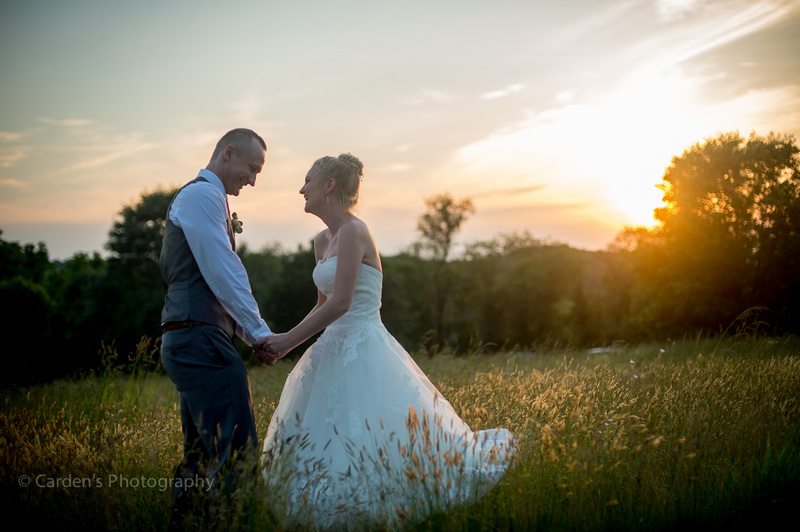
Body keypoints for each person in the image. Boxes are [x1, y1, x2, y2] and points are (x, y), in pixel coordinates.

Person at [259, 154, 515, 529]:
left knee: (373, 430)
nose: (302, 188)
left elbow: (344, 302)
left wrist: (284, 342)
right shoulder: (321, 240)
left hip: (364, 345)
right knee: (325, 433)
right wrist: (289, 343)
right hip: (331, 347)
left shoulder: (353, 232)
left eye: (308, 180)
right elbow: (322, 307)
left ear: (329, 185)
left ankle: (384, 503)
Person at [159, 128, 277, 528]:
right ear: (228, 153)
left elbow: (213, 277)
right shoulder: (201, 196)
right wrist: (259, 333)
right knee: (237, 452)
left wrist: (246, 335)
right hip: (198, 337)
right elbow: (222, 269)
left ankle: (186, 524)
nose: (254, 179)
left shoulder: (211, 199)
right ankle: (238, 523)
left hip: (193, 337)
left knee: (200, 453)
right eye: (252, 167)